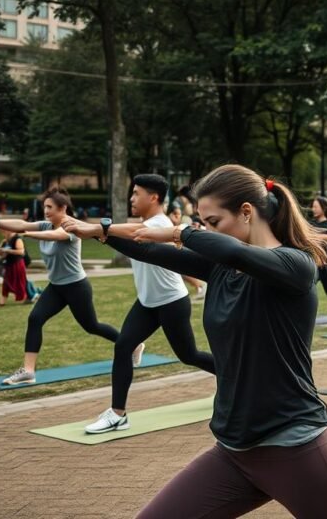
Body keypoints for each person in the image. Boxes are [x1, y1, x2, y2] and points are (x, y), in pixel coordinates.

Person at [104, 165, 327, 517]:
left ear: (246, 212)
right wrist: (99, 231)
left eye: (213, 222)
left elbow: (233, 252)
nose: (207, 231)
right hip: (234, 453)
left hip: (299, 449)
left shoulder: (296, 266)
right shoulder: (221, 269)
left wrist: (181, 232)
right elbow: (150, 252)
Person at [60, 175, 216, 433]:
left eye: (135, 193)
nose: (131, 198)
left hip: (171, 302)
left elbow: (136, 235)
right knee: (123, 347)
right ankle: (117, 414)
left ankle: (232, 378)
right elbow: (127, 236)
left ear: (153, 197)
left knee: (188, 355)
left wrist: (97, 229)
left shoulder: (160, 224)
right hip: (147, 303)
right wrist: (96, 231)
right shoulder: (146, 223)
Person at [0, 188, 120, 386]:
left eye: (50, 207)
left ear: (63, 208)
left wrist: (29, 234)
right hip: (57, 287)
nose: (46, 211)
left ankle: (132, 346)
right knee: (35, 318)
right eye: (45, 207)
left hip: (76, 286)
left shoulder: (72, 226)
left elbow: (56, 236)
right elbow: (23, 223)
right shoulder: (45, 225)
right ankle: (28, 370)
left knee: (91, 326)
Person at [168, 203, 206, 298]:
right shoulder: (171, 222)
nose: (177, 215)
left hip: (188, 249)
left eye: (178, 213)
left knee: (180, 270)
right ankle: (199, 287)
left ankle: (200, 286)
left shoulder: (183, 222)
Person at [0, 228, 29, 306]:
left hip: (17, 264)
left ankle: (25, 298)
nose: (2, 232)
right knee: (6, 283)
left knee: (19, 283)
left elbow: (21, 252)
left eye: (3, 230)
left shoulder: (17, 239)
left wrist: (7, 250)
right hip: (9, 265)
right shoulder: (5, 241)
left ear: (10, 230)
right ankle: (2, 303)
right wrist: (0, 250)